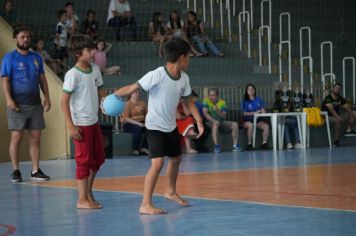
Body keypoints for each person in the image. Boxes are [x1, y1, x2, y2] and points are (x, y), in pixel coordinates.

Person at [111, 38, 204, 214]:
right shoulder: (157, 74)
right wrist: (112, 97)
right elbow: (132, 88)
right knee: (158, 162)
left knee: (176, 158)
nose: (190, 60)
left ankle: (170, 191)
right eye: (189, 57)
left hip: (170, 126)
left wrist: (198, 120)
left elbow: (188, 100)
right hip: (154, 126)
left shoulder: (184, 78)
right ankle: (145, 203)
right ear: (182, 57)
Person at [61, 34, 106, 209]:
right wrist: (71, 126)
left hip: (93, 121)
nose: (93, 51)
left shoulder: (94, 69)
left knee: (98, 158)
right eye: (89, 49)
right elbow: (63, 102)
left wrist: (109, 105)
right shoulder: (72, 74)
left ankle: (88, 192)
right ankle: (81, 200)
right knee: (84, 160)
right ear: (79, 53)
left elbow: (100, 90)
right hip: (80, 124)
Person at [1, 26, 51, 182]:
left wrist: (47, 98)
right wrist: (9, 99)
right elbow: (5, 80)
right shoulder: (9, 58)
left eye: (28, 37)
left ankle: (35, 171)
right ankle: (16, 171)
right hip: (17, 105)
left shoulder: (36, 57)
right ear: (16, 39)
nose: (26, 39)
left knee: (36, 138)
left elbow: (42, 79)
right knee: (16, 138)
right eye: (22, 37)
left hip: (35, 104)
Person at [203, 88, 240, 153]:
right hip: (209, 122)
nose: (211, 97)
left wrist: (218, 110)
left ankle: (235, 146)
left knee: (235, 124)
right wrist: (214, 121)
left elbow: (224, 116)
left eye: (213, 95)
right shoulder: (206, 101)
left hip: (221, 121)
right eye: (210, 95)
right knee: (216, 124)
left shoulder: (222, 102)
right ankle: (216, 146)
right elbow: (205, 113)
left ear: (217, 96)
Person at [322, 82, 356, 147]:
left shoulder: (340, 98)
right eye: (336, 88)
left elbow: (348, 108)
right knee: (337, 121)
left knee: (354, 113)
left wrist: (351, 117)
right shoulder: (328, 98)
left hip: (337, 116)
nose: (337, 90)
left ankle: (348, 130)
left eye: (339, 88)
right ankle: (336, 141)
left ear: (340, 90)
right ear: (332, 89)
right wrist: (339, 118)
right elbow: (331, 110)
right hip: (327, 117)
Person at [241, 84, 269, 150]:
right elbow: (244, 113)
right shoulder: (244, 101)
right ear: (246, 91)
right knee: (251, 125)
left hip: (258, 121)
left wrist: (263, 111)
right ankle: (249, 144)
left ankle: (264, 143)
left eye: (252, 89)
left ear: (254, 90)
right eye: (249, 89)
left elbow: (263, 109)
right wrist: (255, 113)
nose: (251, 90)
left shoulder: (259, 99)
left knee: (266, 126)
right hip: (247, 121)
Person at [123, 90, 149, 156]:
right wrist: (138, 124)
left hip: (142, 122)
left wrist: (147, 123)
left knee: (151, 129)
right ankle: (135, 149)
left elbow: (147, 115)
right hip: (130, 124)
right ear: (131, 94)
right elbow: (126, 118)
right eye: (136, 93)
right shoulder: (127, 104)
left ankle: (144, 147)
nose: (138, 94)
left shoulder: (142, 103)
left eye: (138, 93)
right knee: (138, 129)